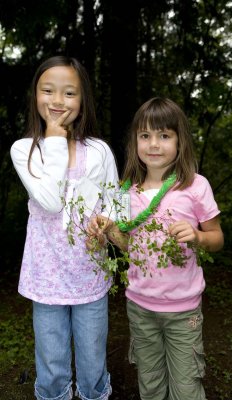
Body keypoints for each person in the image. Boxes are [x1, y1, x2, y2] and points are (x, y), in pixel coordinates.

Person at [88, 97, 224, 400]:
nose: (154, 144)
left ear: (180, 141)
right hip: (140, 308)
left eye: (164, 135)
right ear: (135, 140)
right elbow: (128, 247)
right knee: (150, 386)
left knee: (186, 389)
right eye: (145, 135)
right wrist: (107, 232)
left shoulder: (195, 186)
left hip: (183, 311)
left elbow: (217, 237)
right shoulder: (127, 191)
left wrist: (199, 237)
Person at [10, 56, 118, 400]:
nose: (57, 101)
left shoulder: (99, 150)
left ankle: (92, 394)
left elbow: (115, 200)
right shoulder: (25, 150)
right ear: (35, 96)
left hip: (90, 273)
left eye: (69, 93)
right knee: (53, 362)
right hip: (47, 277)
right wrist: (55, 139)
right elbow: (51, 202)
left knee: (91, 360)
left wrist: (107, 222)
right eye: (48, 91)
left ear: (82, 99)